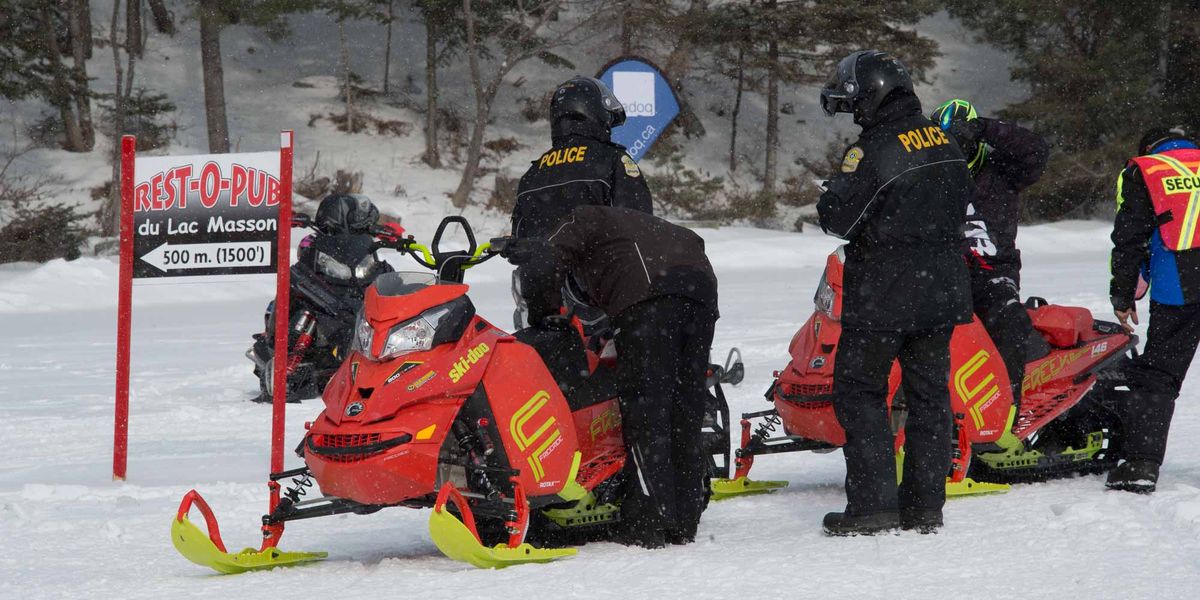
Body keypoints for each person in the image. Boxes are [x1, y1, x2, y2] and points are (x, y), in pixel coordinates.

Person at [816, 50, 974, 535]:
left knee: (860, 393)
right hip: (942, 292)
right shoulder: (945, 140)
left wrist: (833, 191)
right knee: (930, 398)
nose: (854, 112)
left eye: (855, 103)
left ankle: (873, 506)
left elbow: (838, 218)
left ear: (872, 97)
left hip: (885, 296)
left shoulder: (874, 149)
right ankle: (925, 505)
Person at [502, 204, 719, 548]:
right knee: (685, 409)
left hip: (649, 292)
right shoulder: (638, 225)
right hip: (701, 289)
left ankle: (648, 522)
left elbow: (543, 261)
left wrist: (544, 313)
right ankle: (683, 520)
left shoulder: (581, 218)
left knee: (647, 411)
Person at [930, 99, 1049, 412]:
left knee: (1009, 323)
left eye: (959, 143)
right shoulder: (928, 175)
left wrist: (985, 127)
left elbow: (1035, 152)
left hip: (992, 272)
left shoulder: (1002, 171)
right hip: (937, 272)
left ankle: (1006, 414)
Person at [510, 76, 653, 330]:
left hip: (541, 300)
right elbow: (641, 229)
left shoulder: (532, 174)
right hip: (598, 297)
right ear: (592, 112)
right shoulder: (612, 161)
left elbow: (519, 241)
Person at [1107, 127, 1200, 494]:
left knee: (1159, 374)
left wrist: (1123, 294)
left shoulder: (1145, 170)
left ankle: (1140, 465)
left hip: (1179, 283)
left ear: (1149, 147)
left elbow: (1128, 239)